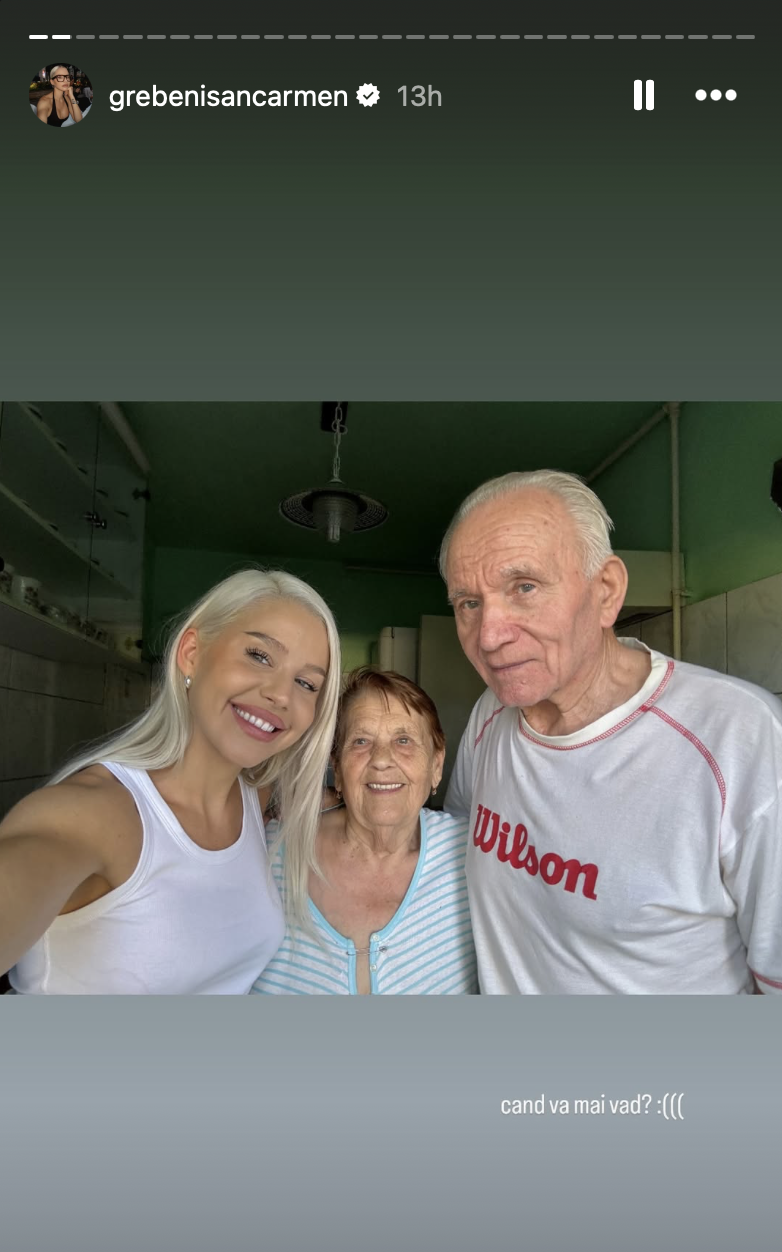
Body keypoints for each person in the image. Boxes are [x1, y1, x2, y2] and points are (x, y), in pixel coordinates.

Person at [441, 469, 782, 995]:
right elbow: (453, 854)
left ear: (606, 592)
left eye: (524, 587)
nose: (488, 636)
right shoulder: (492, 713)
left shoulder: (740, 738)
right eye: (468, 602)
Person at [0, 569, 341, 994]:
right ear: (192, 653)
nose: (281, 695)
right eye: (259, 655)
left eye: (306, 683)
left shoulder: (254, 801)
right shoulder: (90, 813)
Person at [252, 668, 477, 995]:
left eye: (403, 740)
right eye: (361, 741)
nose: (382, 760)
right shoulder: (270, 847)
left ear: (436, 765)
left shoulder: (474, 854)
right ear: (337, 767)